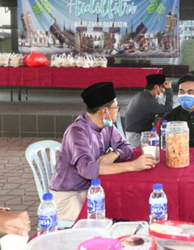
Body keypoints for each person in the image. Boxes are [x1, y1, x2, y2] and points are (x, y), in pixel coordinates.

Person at [49, 82, 156, 222]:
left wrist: (114, 154)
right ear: (104, 111)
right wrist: (133, 166)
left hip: (91, 189)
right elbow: (86, 169)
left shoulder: (107, 126)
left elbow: (127, 148)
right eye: (116, 108)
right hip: (69, 197)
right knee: (116, 218)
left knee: (128, 206)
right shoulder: (77, 132)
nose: (117, 110)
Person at [125, 74, 173, 147]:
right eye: (163, 88)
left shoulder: (143, 95)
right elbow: (168, 109)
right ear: (156, 87)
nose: (163, 91)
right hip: (136, 137)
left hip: (136, 134)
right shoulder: (147, 101)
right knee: (166, 144)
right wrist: (169, 90)